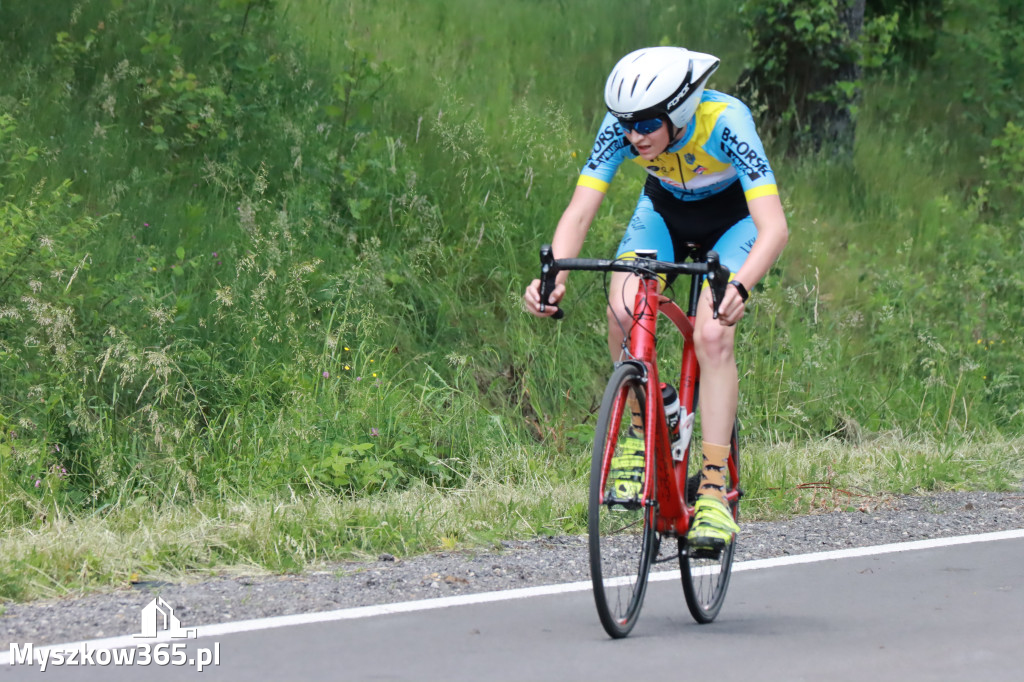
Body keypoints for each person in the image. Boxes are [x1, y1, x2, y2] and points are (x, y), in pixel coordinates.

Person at [523, 46, 788, 552]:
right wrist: (552, 273)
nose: (632, 136)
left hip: (734, 225)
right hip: (663, 215)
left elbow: (774, 227)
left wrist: (741, 286)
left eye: (644, 124)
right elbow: (580, 210)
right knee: (623, 308)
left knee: (712, 334)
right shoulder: (626, 128)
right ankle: (653, 417)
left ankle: (712, 487)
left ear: (680, 112)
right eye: (624, 124)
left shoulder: (728, 122)